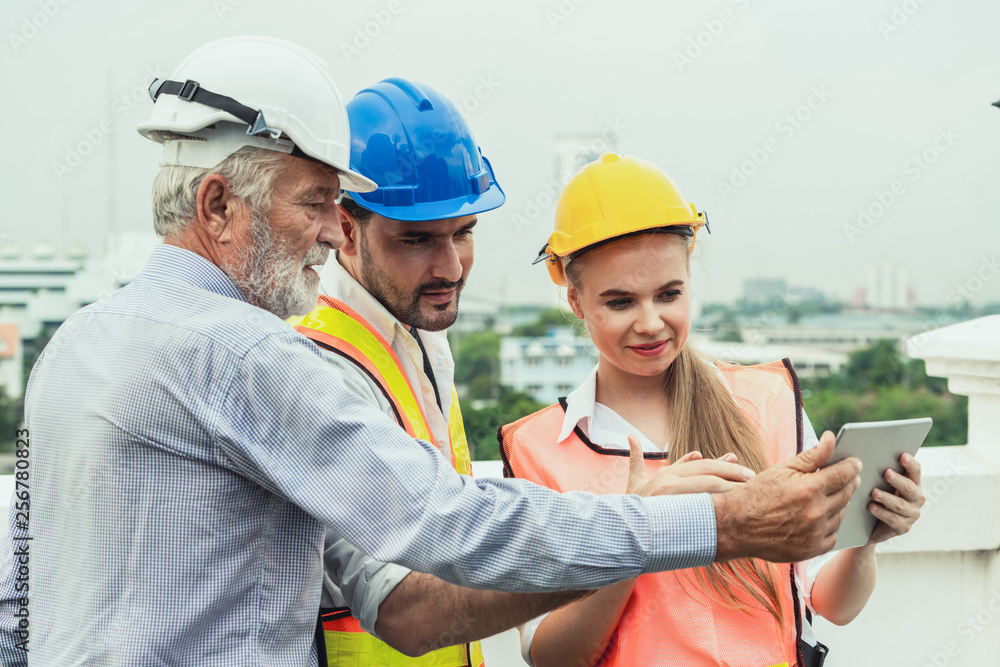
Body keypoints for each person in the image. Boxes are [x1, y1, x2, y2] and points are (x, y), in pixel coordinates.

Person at [0, 36, 862, 666]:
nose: (324, 235)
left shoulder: (75, 345)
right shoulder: (250, 358)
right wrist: (716, 522)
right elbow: (445, 520)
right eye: (313, 204)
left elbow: (21, 587)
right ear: (219, 204)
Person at [501, 153, 927, 667]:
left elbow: (830, 605)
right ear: (575, 300)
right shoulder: (539, 449)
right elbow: (551, 656)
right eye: (620, 302)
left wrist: (865, 541)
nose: (651, 322)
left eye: (669, 294)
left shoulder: (766, 404)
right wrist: (637, 531)